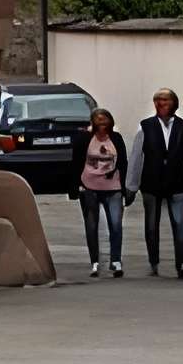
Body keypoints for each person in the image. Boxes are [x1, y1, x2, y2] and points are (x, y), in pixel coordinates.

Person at [127, 87, 183, 278]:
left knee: (179, 223)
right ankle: (154, 261)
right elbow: (136, 157)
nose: (161, 103)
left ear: (174, 104)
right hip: (152, 182)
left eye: (166, 100)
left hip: (177, 182)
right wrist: (131, 185)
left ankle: (182, 263)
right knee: (151, 225)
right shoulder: (145, 126)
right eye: (158, 100)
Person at [69, 107, 128, 277]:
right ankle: (94, 261)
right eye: (98, 120)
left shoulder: (116, 138)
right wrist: (75, 187)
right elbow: (75, 163)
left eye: (105, 119)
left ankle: (115, 260)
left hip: (113, 187)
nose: (102, 123)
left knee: (115, 224)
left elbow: (123, 162)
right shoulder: (84, 139)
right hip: (89, 187)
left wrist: (126, 189)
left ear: (111, 122)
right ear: (92, 122)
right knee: (91, 225)